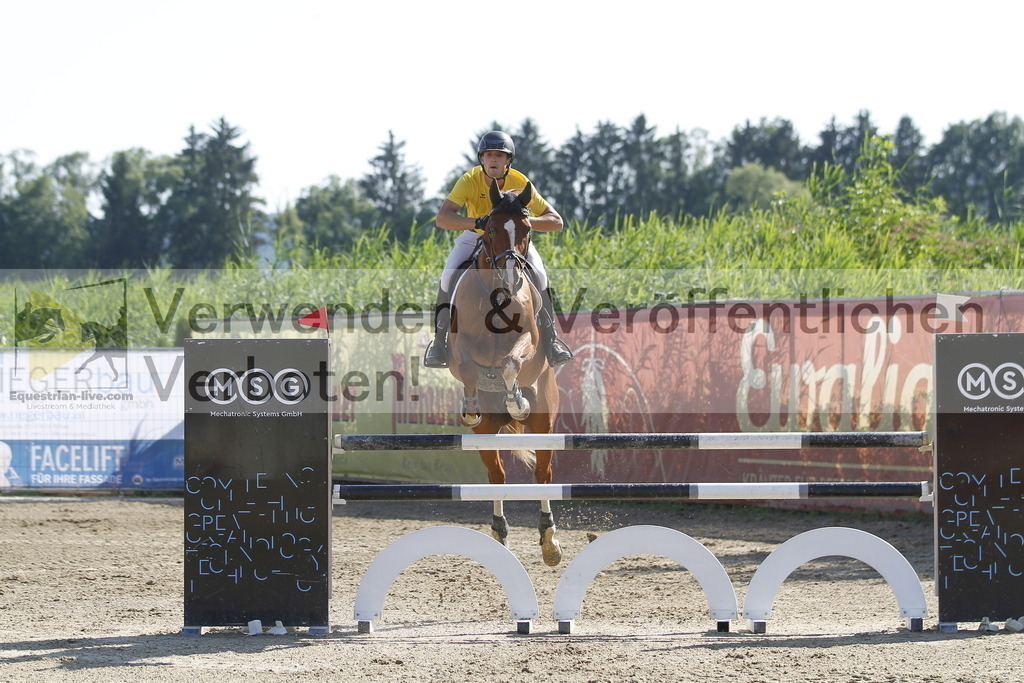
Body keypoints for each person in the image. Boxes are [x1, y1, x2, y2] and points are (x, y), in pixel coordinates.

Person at [423, 130, 574, 369]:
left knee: (541, 276)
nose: (493, 159)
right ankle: (439, 344)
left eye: (499, 155)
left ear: (508, 161)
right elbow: (443, 218)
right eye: (489, 155)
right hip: (475, 236)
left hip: (511, 241)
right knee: (448, 276)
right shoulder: (469, 180)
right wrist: (477, 222)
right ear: (481, 159)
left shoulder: (521, 183)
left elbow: (556, 221)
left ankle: (551, 340)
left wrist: (517, 223)